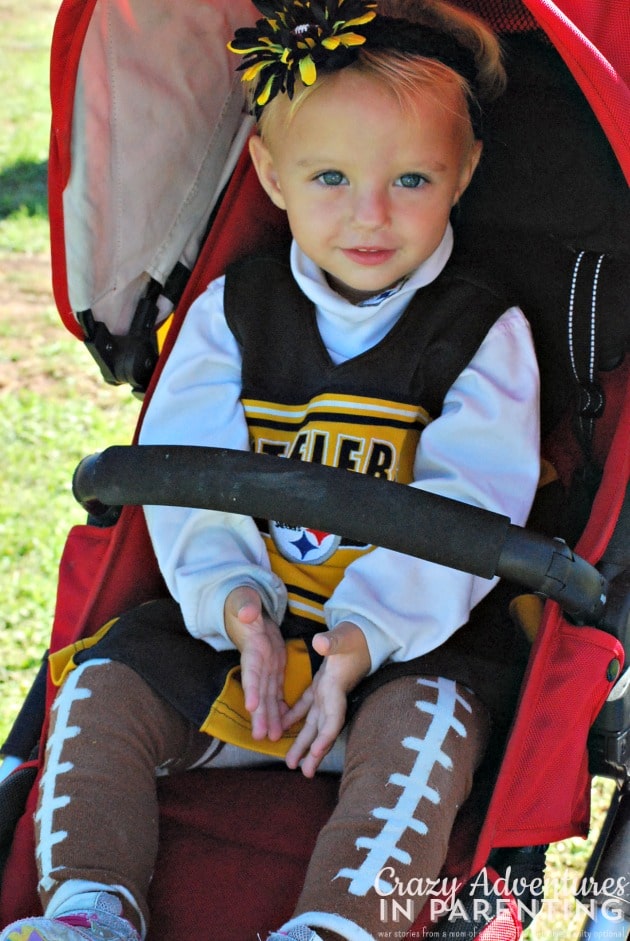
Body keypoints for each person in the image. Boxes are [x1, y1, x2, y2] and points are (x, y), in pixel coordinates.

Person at [0, 1, 540, 939]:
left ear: (466, 173)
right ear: (268, 174)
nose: (369, 214)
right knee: (101, 685)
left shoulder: (485, 335)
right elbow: (184, 476)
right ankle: (89, 902)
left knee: (433, 728)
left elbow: (473, 508)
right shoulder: (231, 312)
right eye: (330, 176)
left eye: (411, 178)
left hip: (400, 651)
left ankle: (335, 922)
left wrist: (364, 641)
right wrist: (236, 606)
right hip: (240, 648)